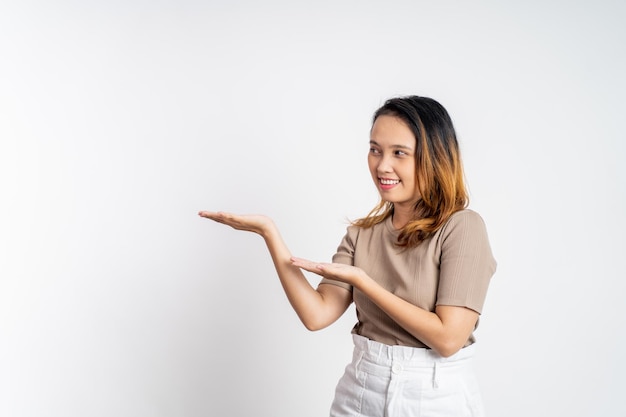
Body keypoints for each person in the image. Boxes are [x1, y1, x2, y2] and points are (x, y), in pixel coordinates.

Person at [199, 95, 497, 417]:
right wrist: (270, 234)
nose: (382, 165)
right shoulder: (362, 233)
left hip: (433, 395)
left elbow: (448, 338)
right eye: (375, 149)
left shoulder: (462, 227)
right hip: (360, 387)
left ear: (435, 157)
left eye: (399, 153)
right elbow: (317, 315)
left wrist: (363, 282)